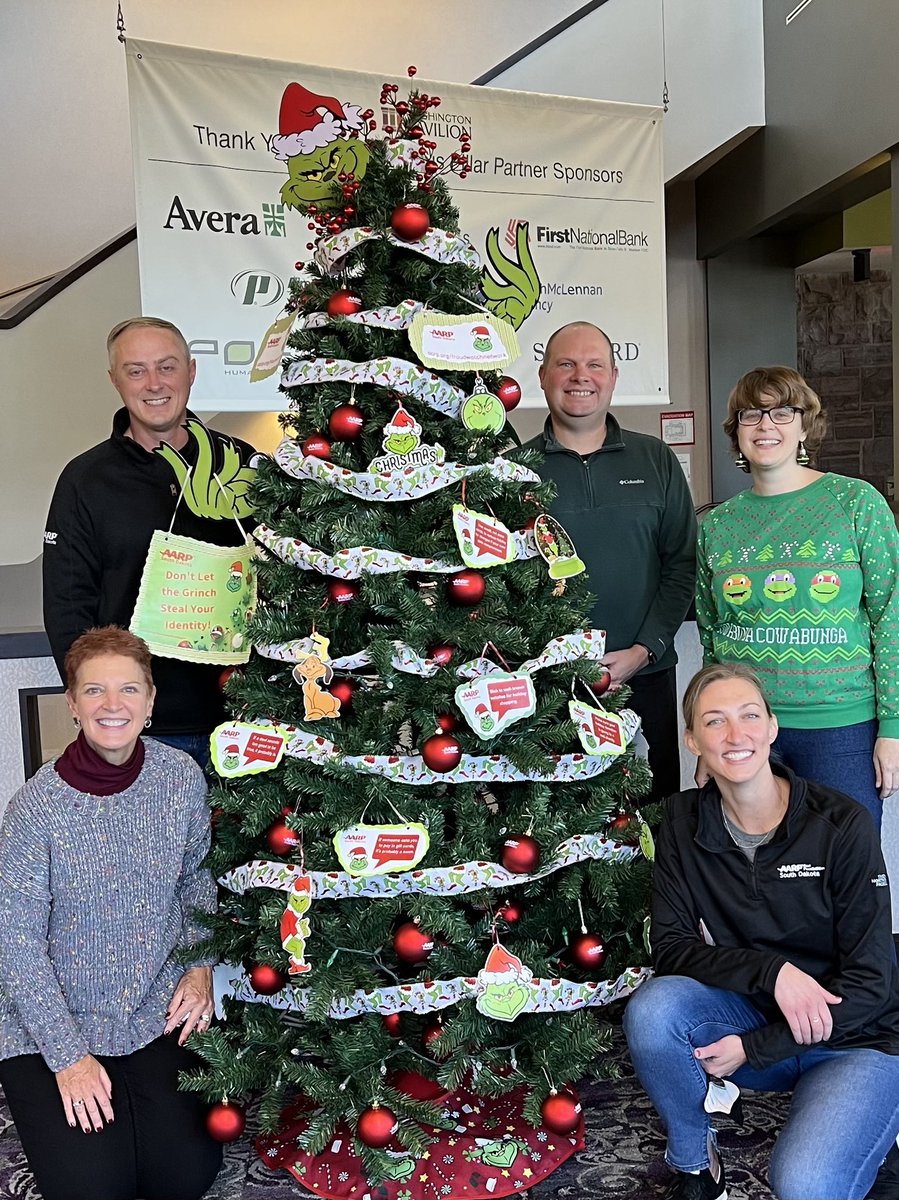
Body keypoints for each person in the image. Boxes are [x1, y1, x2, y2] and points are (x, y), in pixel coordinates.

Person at [623, 663, 899, 1200]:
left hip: (854, 1040)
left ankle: (875, 1132)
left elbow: (872, 985)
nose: (735, 735)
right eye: (714, 721)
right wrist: (774, 974)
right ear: (692, 739)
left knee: (807, 1185)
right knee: (657, 1008)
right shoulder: (680, 823)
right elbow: (673, 948)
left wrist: (755, 1046)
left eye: (749, 716)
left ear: (772, 728)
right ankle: (695, 1167)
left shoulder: (841, 823)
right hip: (753, 1012)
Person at [0, 626, 222, 1200]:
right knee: (93, 1187)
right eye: (94, 691)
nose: (112, 705)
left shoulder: (180, 778)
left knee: (184, 1177)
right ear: (72, 704)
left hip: (152, 1003)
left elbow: (195, 879)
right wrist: (70, 1059)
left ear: (150, 700)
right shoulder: (35, 809)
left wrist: (199, 970)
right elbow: (16, 943)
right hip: (51, 1019)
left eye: (128, 689)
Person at [42, 317, 258, 766]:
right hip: (139, 729)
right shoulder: (85, 480)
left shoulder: (244, 465)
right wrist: (102, 707)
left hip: (246, 718)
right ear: (115, 380)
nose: (154, 383)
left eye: (167, 366)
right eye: (136, 370)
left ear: (192, 371)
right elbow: (67, 604)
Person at [695, 366, 899, 829]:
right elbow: (712, 639)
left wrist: (894, 727)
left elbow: (892, 615)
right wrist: (711, 734)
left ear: (805, 426)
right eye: (752, 414)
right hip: (745, 730)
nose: (767, 425)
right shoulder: (718, 526)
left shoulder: (855, 503)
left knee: (848, 869)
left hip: (840, 727)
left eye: (783, 412)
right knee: (757, 873)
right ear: (737, 433)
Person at [521, 321, 696, 799]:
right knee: (556, 818)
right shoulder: (517, 472)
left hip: (648, 673)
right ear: (542, 375)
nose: (582, 376)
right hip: (549, 683)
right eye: (567, 364)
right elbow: (507, 586)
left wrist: (644, 650)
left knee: (655, 813)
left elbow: (682, 565)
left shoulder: (655, 459)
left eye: (595, 365)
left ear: (614, 377)